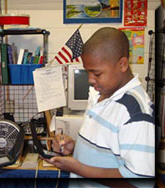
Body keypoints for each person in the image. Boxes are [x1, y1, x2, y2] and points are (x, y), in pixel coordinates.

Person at [45, 27, 155, 186]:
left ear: (122, 64)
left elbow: (141, 182)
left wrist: (80, 169)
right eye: (87, 72)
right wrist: (75, 147)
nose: (90, 79)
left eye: (96, 74)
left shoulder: (136, 114)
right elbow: (107, 153)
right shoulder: (100, 94)